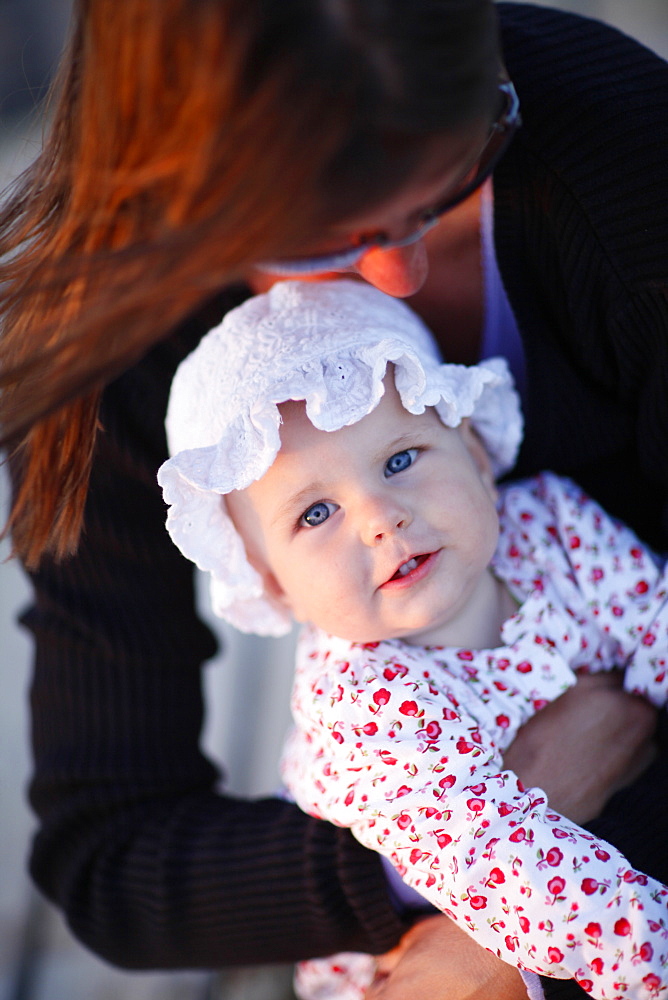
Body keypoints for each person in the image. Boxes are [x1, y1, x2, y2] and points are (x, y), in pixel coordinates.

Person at [0, 2, 665, 999]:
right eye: (314, 243)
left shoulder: (618, 152)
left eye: (451, 178)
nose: (395, 274)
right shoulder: (107, 360)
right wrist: (465, 858)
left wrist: (511, 942)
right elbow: (116, 860)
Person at [159, 277, 668, 1000]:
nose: (379, 519)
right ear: (272, 586)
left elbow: (656, 619)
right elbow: (517, 870)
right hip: (438, 948)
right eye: (315, 514)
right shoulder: (365, 699)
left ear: (474, 451)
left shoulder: (550, 523)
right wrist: (652, 953)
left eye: (400, 460)